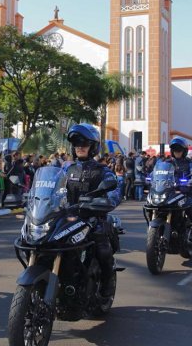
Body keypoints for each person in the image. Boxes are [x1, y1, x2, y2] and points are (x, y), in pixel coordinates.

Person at [64, 123, 120, 298]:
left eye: (84, 143)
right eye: (77, 144)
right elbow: (52, 188)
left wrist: (103, 202)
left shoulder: (103, 171)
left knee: (102, 249)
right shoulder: (66, 169)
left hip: (93, 218)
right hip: (68, 219)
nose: (80, 147)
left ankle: (107, 283)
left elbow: (114, 193)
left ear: (93, 146)